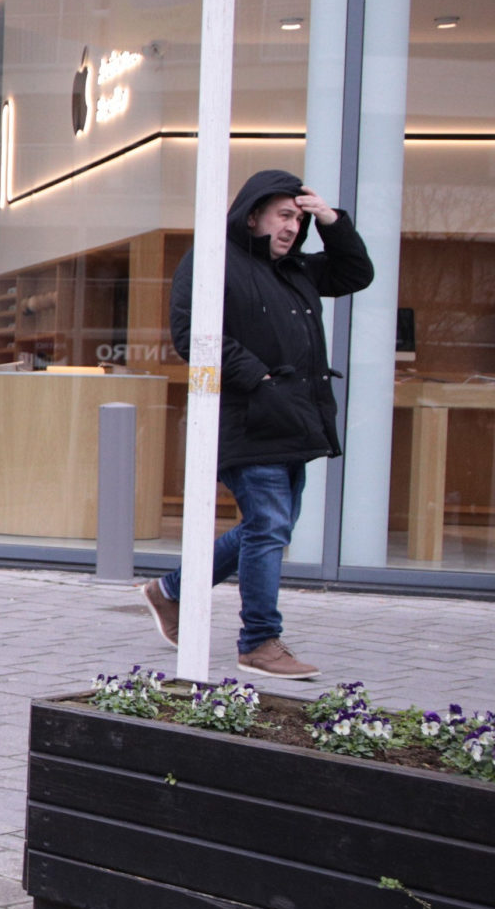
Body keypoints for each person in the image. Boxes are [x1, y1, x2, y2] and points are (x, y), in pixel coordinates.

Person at [142, 168, 373, 678]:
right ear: (252, 216)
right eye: (283, 215)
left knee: (267, 526)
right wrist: (260, 378)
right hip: (246, 417)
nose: (292, 227)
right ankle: (259, 642)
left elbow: (355, 274)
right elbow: (192, 333)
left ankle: (171, 591)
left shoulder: (295, 270)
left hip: (291, 418)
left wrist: (330, 220)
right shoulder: (212, 259)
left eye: (298, 219)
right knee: (269, 526)